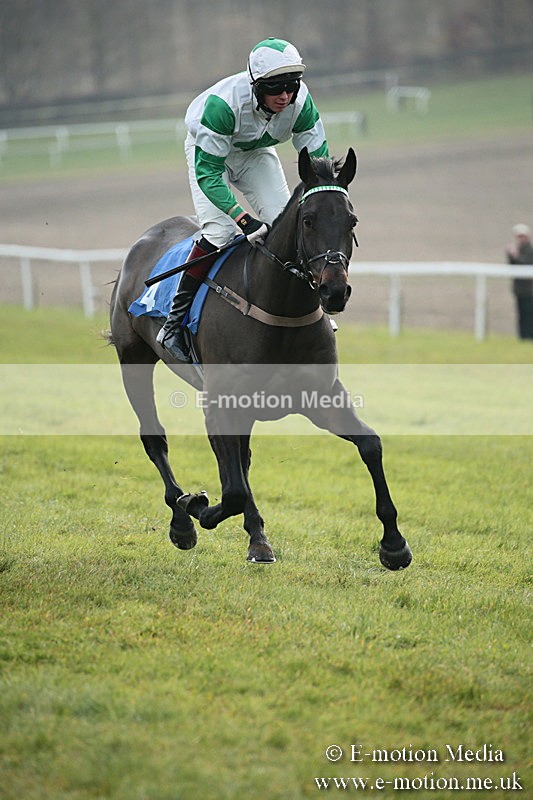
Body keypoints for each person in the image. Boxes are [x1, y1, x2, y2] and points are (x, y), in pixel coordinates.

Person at [157, 37, 329, 361]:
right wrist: (243, 218)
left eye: (292, 86)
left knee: (289, 229)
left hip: (254, 152)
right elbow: (208, 174)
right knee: (220, 233)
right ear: (255, 85)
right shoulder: (223, 107)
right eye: (275, 88)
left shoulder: (301, 102)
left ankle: (310, 312)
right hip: (208, 154)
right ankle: (174, 321)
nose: (285, 96)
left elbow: (319, 163)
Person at [506, 223, 533, 340]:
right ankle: (523, 336)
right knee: (521, 314)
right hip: (520, 289)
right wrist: (511, 255)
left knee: (529, 314)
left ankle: (529, 336)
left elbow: (525, 264)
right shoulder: (519, 250)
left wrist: (515, 255)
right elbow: (513, 266)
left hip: (530, 289)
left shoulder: (529, 250)